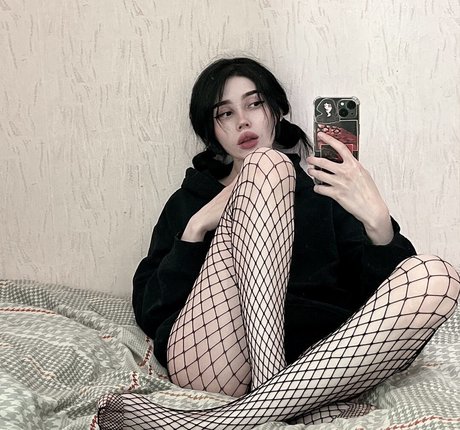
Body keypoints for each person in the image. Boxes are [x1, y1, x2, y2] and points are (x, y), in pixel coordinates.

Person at [98, 57, 459, 429]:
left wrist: (378, 221)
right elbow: (151, 308)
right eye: (225, 113)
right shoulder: (191, 201)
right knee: (267, 164)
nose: (243, 121)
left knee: (438, 275)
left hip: (317, 365)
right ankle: (276, 396)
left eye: (254, 104)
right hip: (216, 357)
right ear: (211, 129)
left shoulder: (327, 194)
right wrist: (196, 228)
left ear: (276, 110)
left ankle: (238, 417)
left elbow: (378, 300)